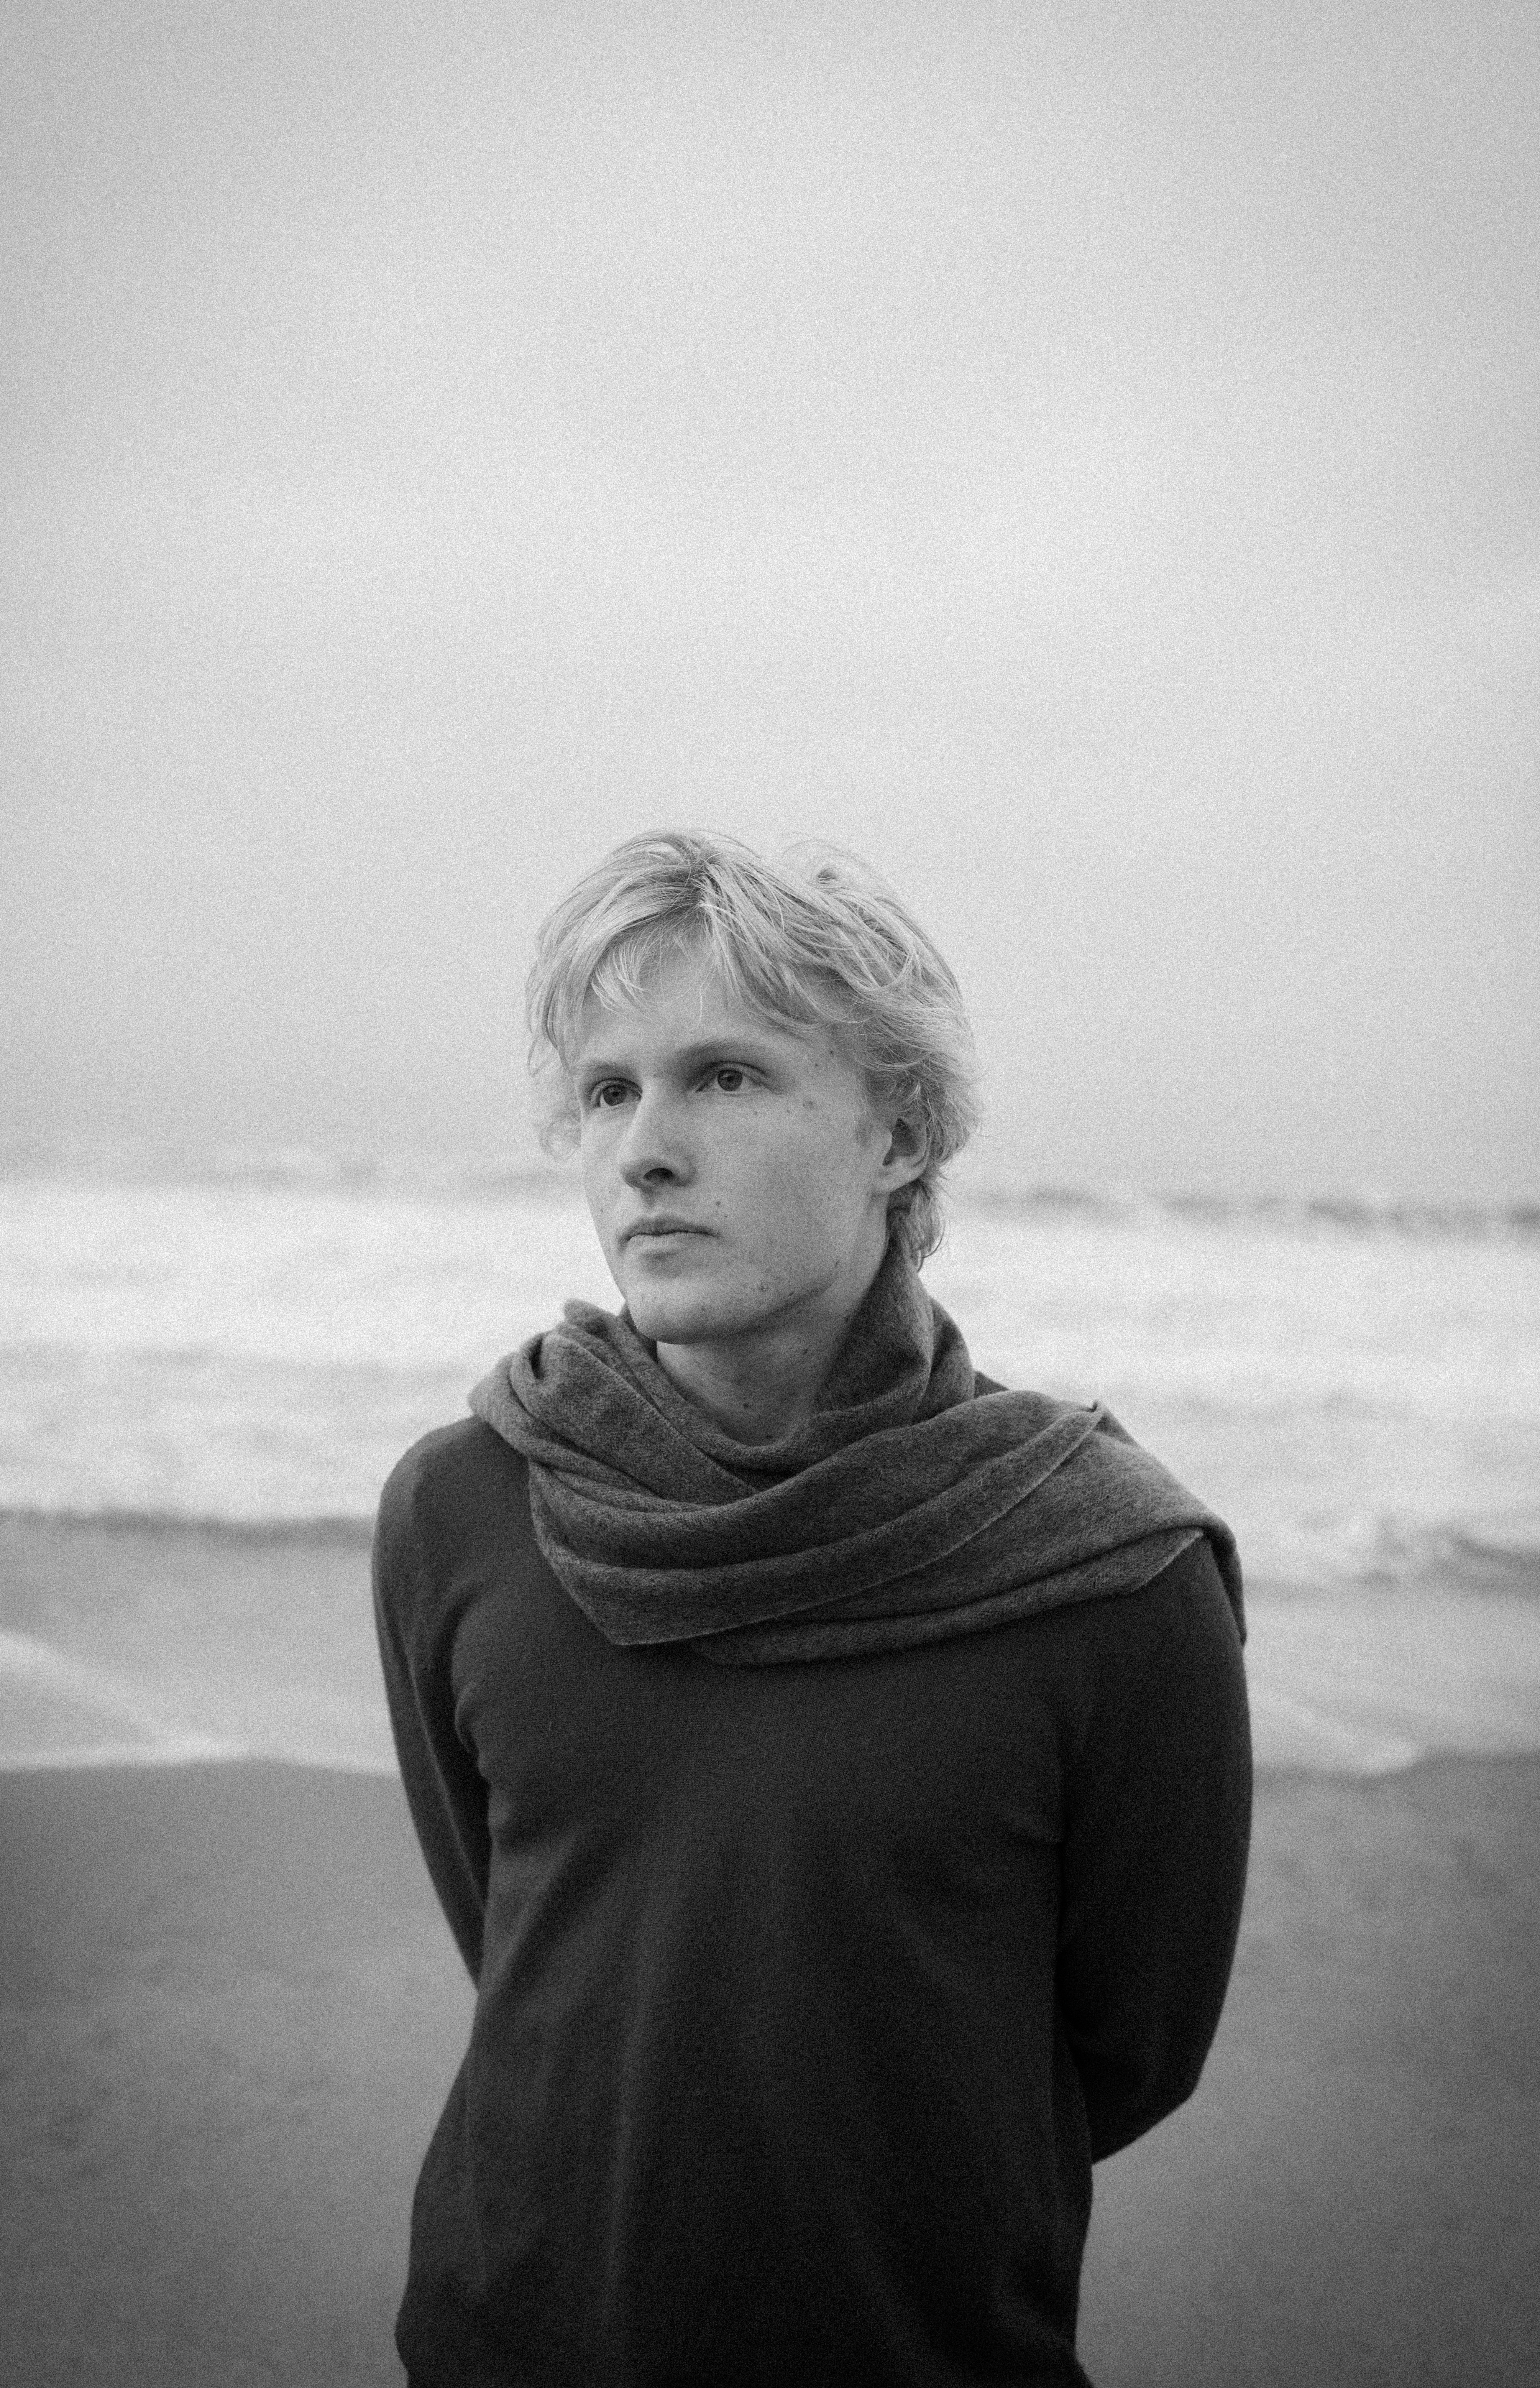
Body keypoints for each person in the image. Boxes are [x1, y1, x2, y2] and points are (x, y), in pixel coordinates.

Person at [374, 829, 1251, 2388]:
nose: (644, 1147)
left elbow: (1127, 2051)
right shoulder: (464, 1510)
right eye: (606, 1088)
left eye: (723, 1075)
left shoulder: (1110, 1571)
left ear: (901, 1128)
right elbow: (519, 1944)